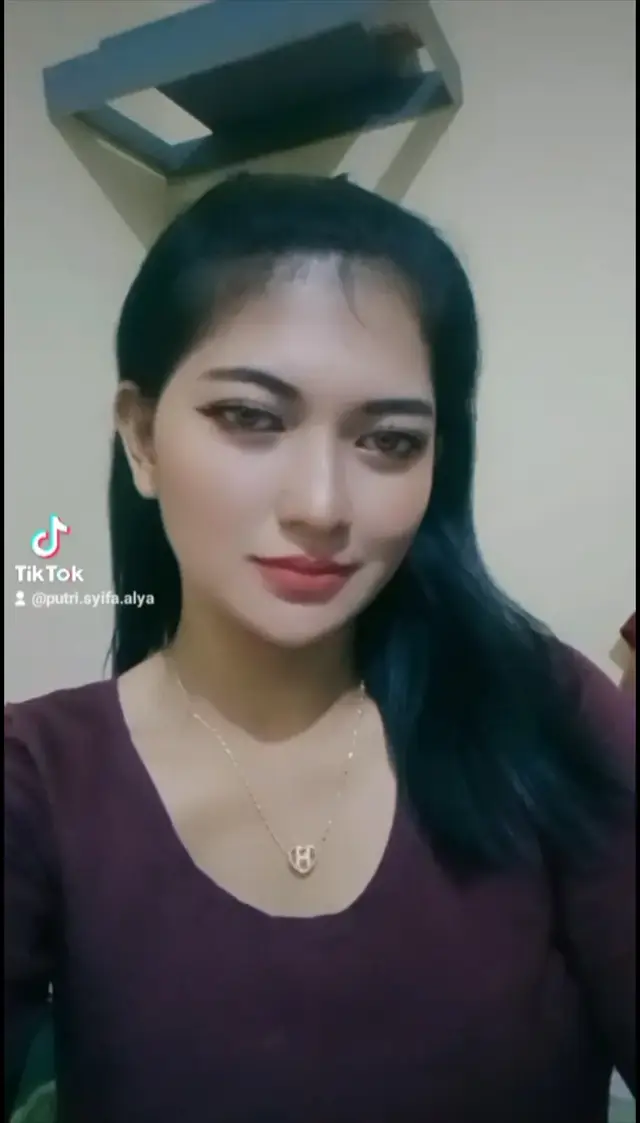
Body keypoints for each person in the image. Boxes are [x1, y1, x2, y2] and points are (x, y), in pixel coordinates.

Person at [5, 173, 635, 1123]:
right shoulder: (38, 780)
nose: (322, 505)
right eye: (251, 418)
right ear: (141, 437)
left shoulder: (540, 714)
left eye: (389, 441)